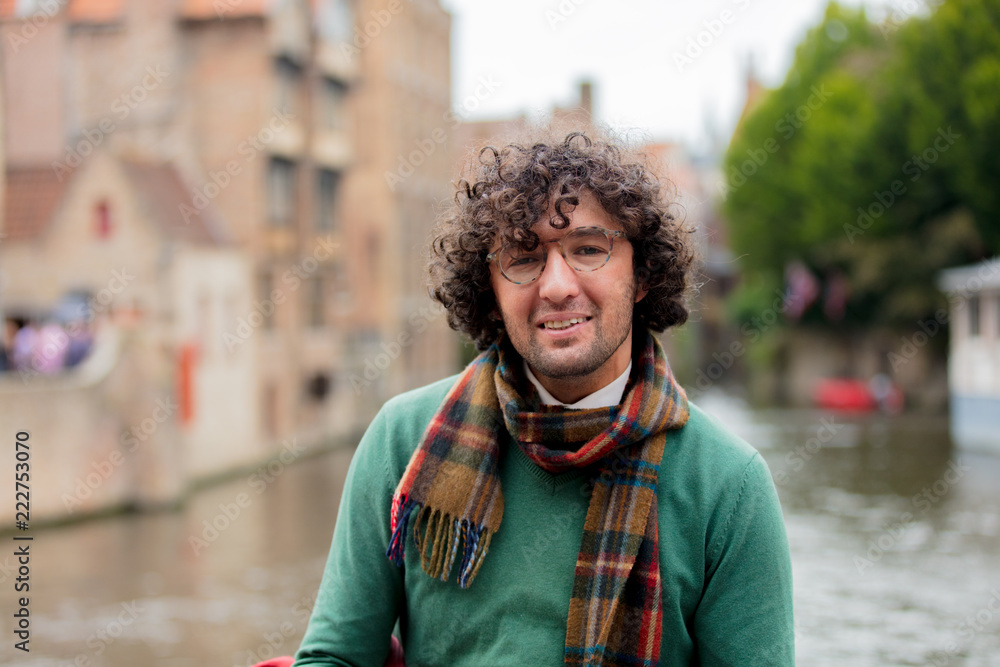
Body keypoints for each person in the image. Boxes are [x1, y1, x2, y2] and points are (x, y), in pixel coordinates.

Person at [293, 132, 794, 666]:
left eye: (588, 249)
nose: (556, 285)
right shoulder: (403, 439)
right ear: (490, 283)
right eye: (524, 257)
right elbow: (335, 657)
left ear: (642, 274)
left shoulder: (728, 486)